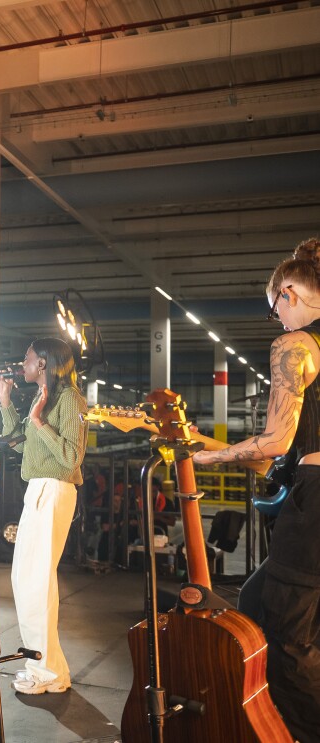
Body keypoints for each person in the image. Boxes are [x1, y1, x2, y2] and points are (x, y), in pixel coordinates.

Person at [191, 238, 320, 742]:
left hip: (315, 497)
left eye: (275, 311)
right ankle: (254, 715)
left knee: (290, 638)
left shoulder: (296, 344)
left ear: (288, 292)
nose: (279, 321)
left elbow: (275, 440)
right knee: (253, 598)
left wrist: (204, 455)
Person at [0, 337, 87, 695]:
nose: (23, 362)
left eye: (28, 357)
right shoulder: (42, 397)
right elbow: (15, 441)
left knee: (35, 581)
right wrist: (7, 403)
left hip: (55, 488)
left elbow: (70, 457)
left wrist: (39, 421)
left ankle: (46, 670)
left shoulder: (70, 399)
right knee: (26, 579)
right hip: (37, 489)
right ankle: (50, 669)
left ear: (45, 363)